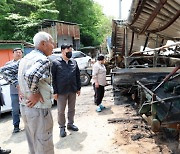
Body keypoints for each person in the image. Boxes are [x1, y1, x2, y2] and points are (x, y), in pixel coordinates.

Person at [1, 31, 55, 154]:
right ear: (43, 44)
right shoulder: (43, 60)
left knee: (33, 142)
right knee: (44, 144)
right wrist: (34, 92)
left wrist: (18, 85)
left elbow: (5, 70)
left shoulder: (25, 59)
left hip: (25, 109)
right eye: (51, 42)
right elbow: (31, 75)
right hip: (39, 109)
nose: (53, 45)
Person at [51, 44, 81, 137]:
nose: (70, 53)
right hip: (61, 91)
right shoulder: (56, 63)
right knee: (61, 111)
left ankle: (70, 124)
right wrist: (55, 92)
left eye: (71, 51)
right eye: (68, 51)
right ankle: (62, 127)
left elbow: (77, 75)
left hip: (72, 89)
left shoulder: (74, 62)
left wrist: (78, 88)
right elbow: (53, 79)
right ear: (62, 51)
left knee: (72, 109)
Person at [5, 48, 23, 133]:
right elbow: (6, 77)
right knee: (15, 109)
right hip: (14, 91)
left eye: (20, 52)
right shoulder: (8, 64)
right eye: (16, 52)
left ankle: (29, 125)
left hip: (24, 91)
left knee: (27, 108)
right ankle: (16, 126)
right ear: (13, 54)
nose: (18, 54)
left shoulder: (25, 63)